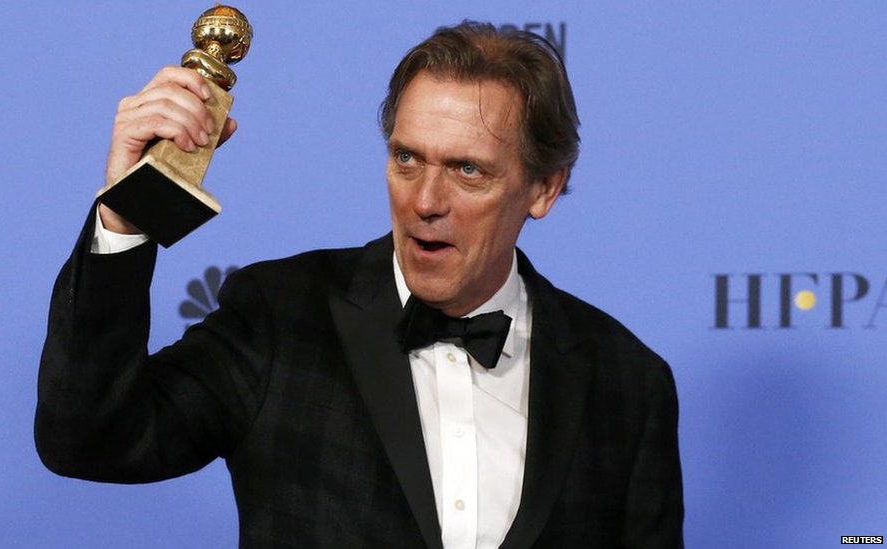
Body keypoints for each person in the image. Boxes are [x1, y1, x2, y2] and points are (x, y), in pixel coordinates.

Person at [35, 21, 684, 548]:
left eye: (467, 170)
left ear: (544, 187)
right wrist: (129, 213)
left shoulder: (627, 383)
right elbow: (88, 439)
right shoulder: (281, 315)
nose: (425, 201)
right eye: (407, 158)